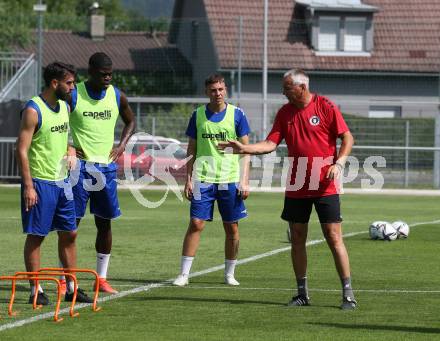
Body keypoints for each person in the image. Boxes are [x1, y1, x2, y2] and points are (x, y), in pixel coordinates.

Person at [219, 69, 356, 309]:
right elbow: (271, 143)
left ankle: (348, 295)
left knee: (334, 237)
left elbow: (347, 138)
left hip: (325, 184)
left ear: (301, 87)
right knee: (297, 238)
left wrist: (339, 163)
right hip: (296, 184)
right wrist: (244, 148)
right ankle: (302, 294)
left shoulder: (325, 106)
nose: (283, 91)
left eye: (287, 87)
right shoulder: (284, 113)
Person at [16, 62, 93, 305]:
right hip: (40, 183)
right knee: (37, 236)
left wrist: (70, 148)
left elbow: (63, 136)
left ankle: (71, 287)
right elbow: (21, 149)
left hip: (63, 184)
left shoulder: (64, 107)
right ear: (54, 83)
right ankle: (35, 290)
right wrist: (28, 186)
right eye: (69, 83)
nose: (72, 88)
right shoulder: (33, 110)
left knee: (69, 233)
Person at [173, 74, 250, 287]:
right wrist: (188, 179)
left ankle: (229, 274)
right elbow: (191, 150)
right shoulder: (197, 115)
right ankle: (184, 274)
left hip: (230, 179)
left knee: (231, 228)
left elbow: (246, 151)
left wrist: (244, 181)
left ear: (225, 90)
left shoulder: (237, 115)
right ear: (207, 92)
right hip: (203, 179)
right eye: (213, 90)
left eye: (221, 89)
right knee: (196, 224)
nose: (217, 93)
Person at [67, 52, 135, 294]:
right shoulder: (74, 95)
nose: (108, 78)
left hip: (105, 170)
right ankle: (69, 283)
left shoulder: (116, 95)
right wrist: (68, 146)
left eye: (110, 74)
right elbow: (57, 121)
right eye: (103, 74)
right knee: (71, 226)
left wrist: (122, 145)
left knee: (104, 225)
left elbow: (130, 121)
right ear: (91, 71)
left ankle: (101, 278)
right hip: (79, 169)